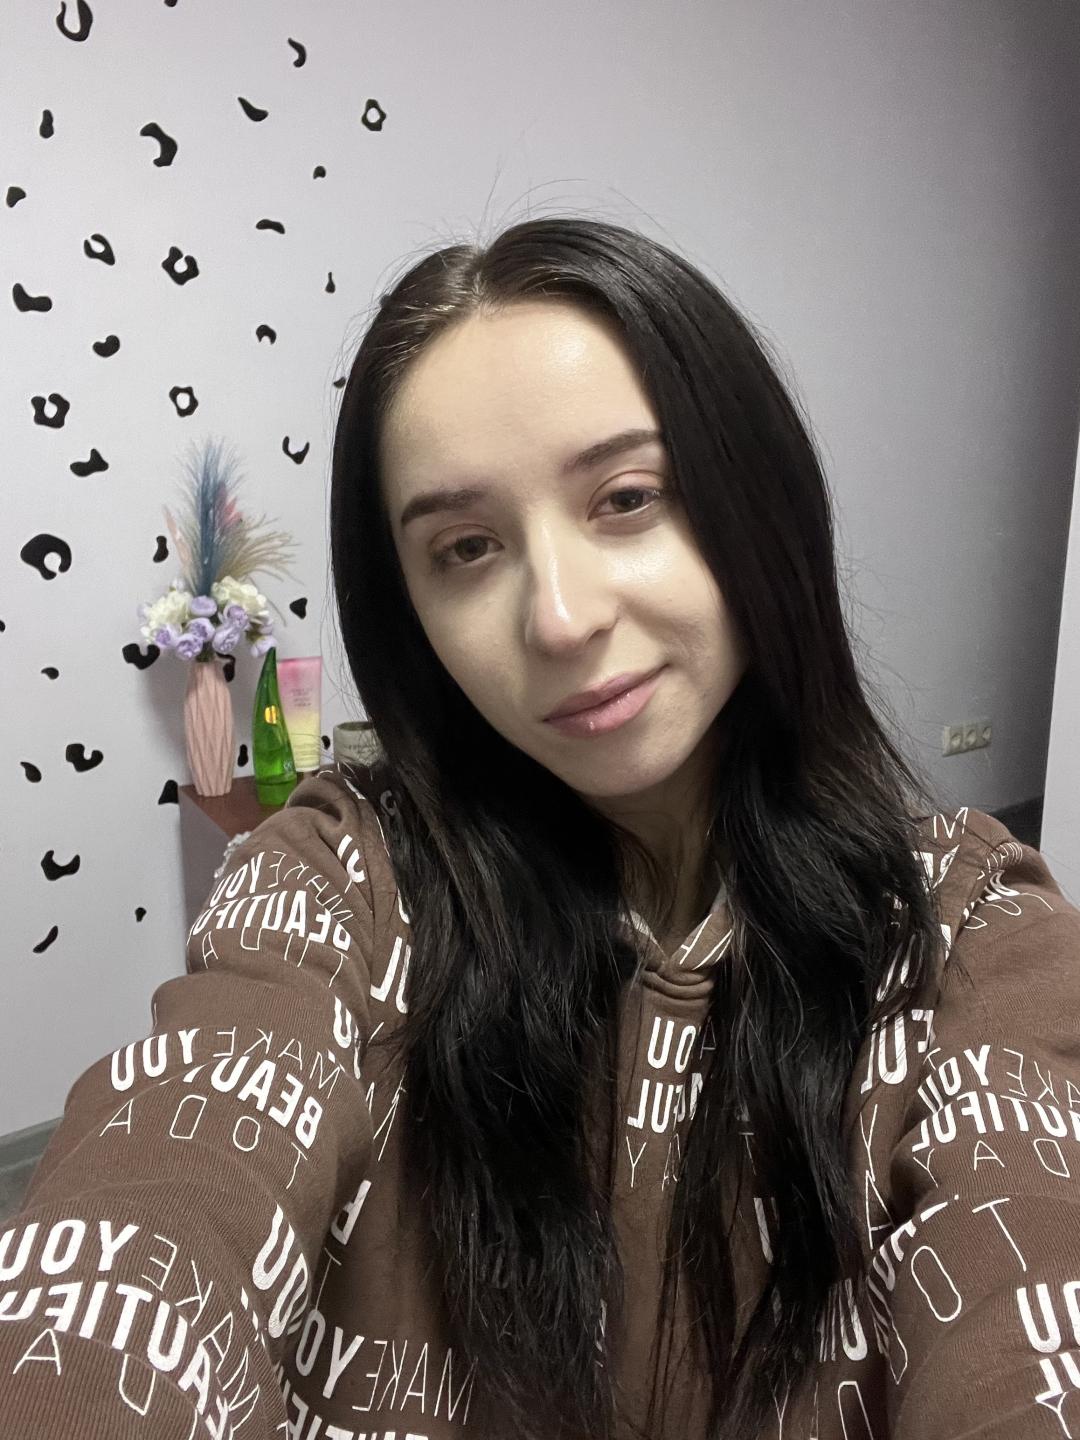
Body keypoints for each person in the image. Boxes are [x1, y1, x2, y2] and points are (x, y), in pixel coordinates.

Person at [1, 217, 1078, 1440]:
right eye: (466, 548)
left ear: (756, 496)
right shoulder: (347, 879)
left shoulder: (966, 929)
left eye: (628, 498)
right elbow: (155, 1201)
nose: (559, 619)